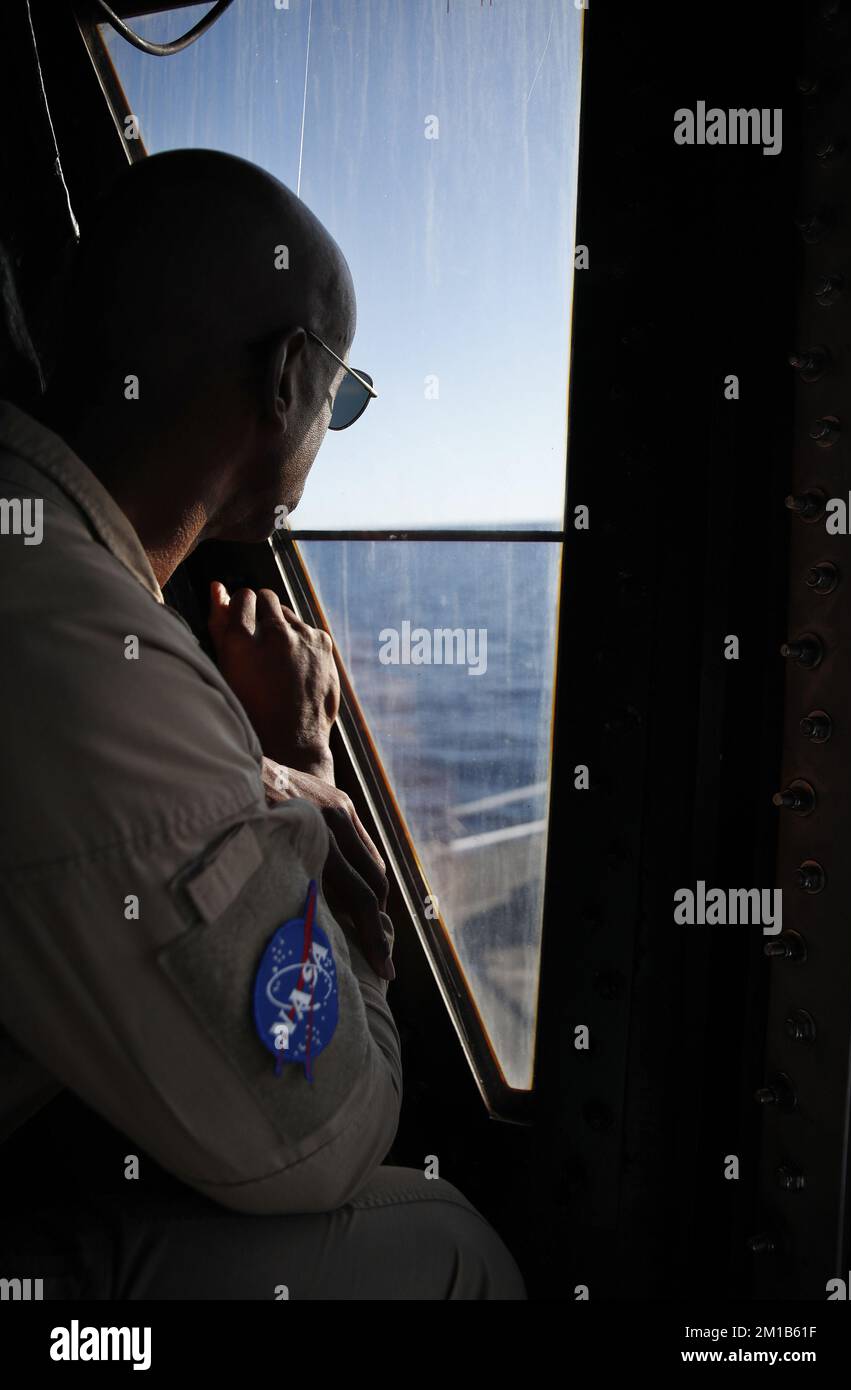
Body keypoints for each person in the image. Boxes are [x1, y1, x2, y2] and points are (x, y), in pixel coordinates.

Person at [0, 149, 526, 1299]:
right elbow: (314, 1132)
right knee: (449, 1248)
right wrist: (303, 761)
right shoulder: (85, 645)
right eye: (342, 394)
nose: (330, 421)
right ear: (288, 377)